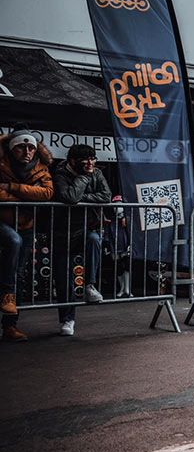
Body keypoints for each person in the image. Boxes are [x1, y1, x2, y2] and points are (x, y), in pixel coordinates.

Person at [0, 124, 54, 342]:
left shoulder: (40, 167)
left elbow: (47, 193)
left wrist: (12, 188)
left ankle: (10, 326)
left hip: (25, 224)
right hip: (3, 221)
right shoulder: (2, 162)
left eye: (30, 148)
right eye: (22, 148)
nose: (27, 152)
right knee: (13, 242)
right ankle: (6, 298)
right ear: (13, 149)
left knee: (20, 273)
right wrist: (27, 198)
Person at [52, 143, 112, 336]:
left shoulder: (96, 172)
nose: (90, 162)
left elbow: (106, 196)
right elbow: (69, 196)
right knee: (63, 280)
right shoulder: (61, 173)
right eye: (86, 159)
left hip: (86, 228)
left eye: (93, 158)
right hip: (62, 232)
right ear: (72, 161)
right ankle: (68, 320)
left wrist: (83, 197)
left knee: (94, 240)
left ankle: (89, 286)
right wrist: (84, 178)